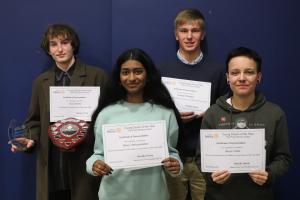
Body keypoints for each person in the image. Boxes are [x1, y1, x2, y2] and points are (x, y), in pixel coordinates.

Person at [10, 24, 108, 200]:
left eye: (65, 42)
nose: (60, 49)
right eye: (53, 44)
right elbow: (34, 121)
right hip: (53, 166)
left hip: (84, 161)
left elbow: (109, 117)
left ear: (73, 45)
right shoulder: (41, 82)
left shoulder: (97, 76)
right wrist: (29, 138)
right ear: (48, 49)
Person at [86, 48, 183, 200]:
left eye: (138, 71)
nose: (131, 78)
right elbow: (98, 154)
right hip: (113, 194)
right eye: (125, 72)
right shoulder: (106, 114)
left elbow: (172, 153)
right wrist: (94, 165)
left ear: (148, 75)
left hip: (154, 194)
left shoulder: (165, 113)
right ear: (119, 77)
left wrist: (176, 165)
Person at [197, 47, 292, 200]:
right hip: (218, 195)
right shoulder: (212, 113)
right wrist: (210, 175)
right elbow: (200, 158)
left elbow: (283, 157)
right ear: (227, 78)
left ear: (258, 77)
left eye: (249, 72)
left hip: (259, 195)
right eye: (235, 73)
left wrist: (270, 174)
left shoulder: (275, 113)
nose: (241, 78)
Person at [158, 8, 228, 200]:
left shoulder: (218, 70)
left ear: (202, 34)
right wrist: (173, 115)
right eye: (184, 31)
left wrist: (212, 113)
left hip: (205, 158)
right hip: (173, 156)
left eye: (195, 30)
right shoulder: (162, 69)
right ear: (176, 35)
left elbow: (228, 110)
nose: (189, 36)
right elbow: (154, 111)